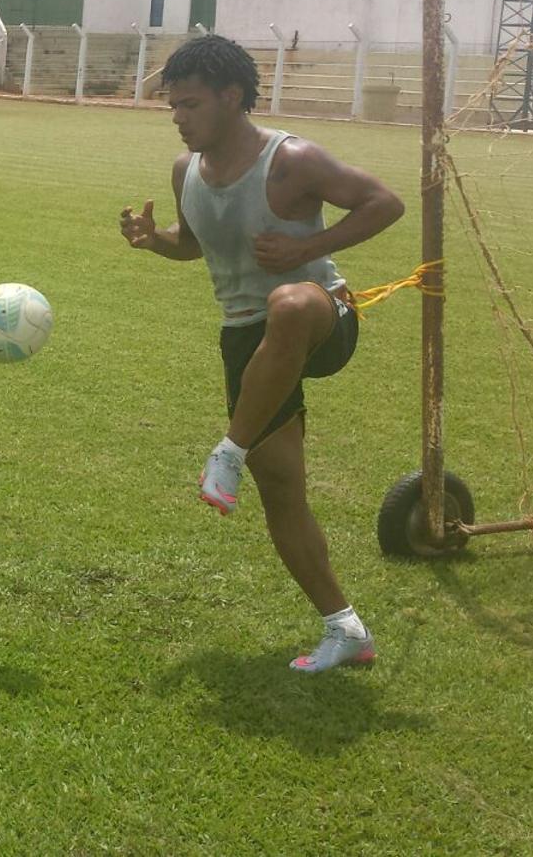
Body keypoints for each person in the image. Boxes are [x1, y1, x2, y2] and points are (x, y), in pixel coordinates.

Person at [119, 35, 404, 674]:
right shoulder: (183, 170)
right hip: (247, 338)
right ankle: (346, 629)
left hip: (321, 317)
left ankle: (227, 452)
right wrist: (153, 241)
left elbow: (385, 202)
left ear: (233, 97)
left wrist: (313, 245)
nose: (178, 117)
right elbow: (193, 245)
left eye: (189, 104)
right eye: (172, 107)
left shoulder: (291, 160)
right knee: (282, 489)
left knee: (291, 305)